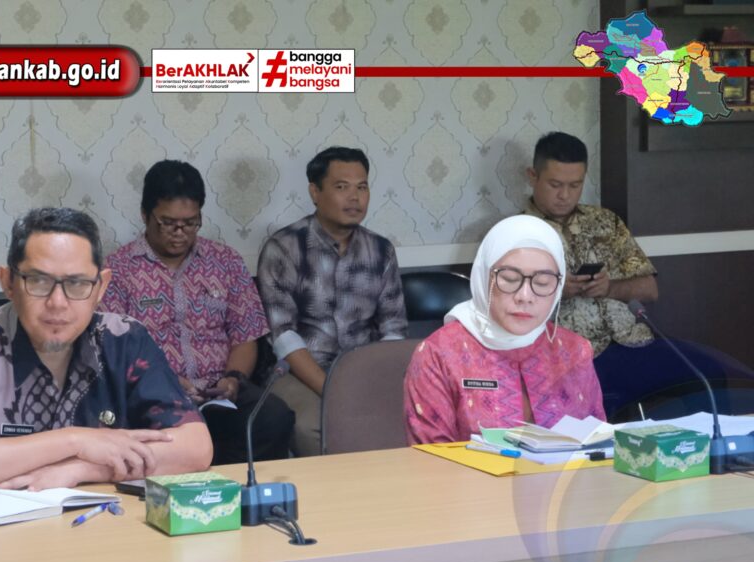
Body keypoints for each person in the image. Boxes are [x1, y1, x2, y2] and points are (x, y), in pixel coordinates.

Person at [0, 208, 212, 498]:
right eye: (39, 281)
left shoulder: (124, 340)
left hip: (102, 524)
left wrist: (82, 468)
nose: (58, 302)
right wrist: (76, 440)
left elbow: (196, 447)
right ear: (8, 282)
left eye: (77, 284)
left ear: (101, 287)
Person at [524, 131, 754, 418]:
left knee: (712, 373)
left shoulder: (604, 222)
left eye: (575, 185)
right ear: (533, 176)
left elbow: (649, 289)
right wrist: (557, 291)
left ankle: (718, 445)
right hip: (573, 355)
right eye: (555, 185)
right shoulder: (517, 232)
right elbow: (505, 306)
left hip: (632, 341)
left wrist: (609, 288)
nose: (565, 195)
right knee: (600, 399)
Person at [103, 160, 294, 465]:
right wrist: (166, 381)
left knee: (274, 417)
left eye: (191, 223)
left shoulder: (226, 261)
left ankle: (241, 491)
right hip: (155, 395)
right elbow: (115, 349)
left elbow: (245, 335)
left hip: (221, 393)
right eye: (168, 223)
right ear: (145, 215)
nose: (180, 233)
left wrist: (233, 378)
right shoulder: (118, 270)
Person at [258, 146, 407, 456]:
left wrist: (378, 383)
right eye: (341, 187)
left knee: (403, 419)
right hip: (301, 373)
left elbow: (393, 329)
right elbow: (283, 336)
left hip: (366, 370)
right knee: (314, 426)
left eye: (362, 187)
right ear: (315, 192)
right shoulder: (284, 248)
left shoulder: (381, 250)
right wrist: (335, 389)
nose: (354, 197)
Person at [404, 215, 605, 444]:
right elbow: (431, 457)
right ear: (484, 277)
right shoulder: (438, 354)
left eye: (542, 283)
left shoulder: (575, 350)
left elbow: (597, 445)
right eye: (509, 279)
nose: (525, 296)